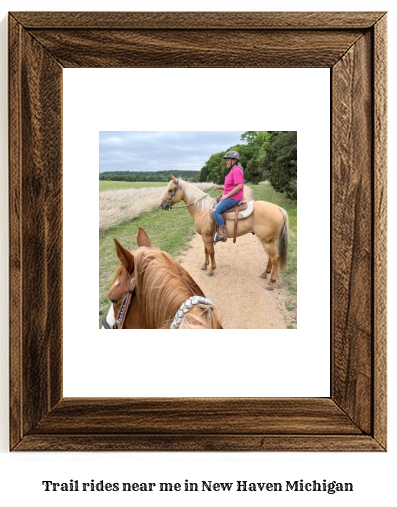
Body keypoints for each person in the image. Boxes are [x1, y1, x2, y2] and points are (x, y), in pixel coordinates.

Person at [213, 151, 244, 242]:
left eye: (228, 160)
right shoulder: (232, 171)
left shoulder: (236, 171)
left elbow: (239, 186)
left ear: (234, 160)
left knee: (215, 211)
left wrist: (226, 196)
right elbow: (230, 186)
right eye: (226, 160)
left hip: (234, 197)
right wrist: (221, 187)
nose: (226, 162)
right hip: (231, 195)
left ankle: (222, 233)